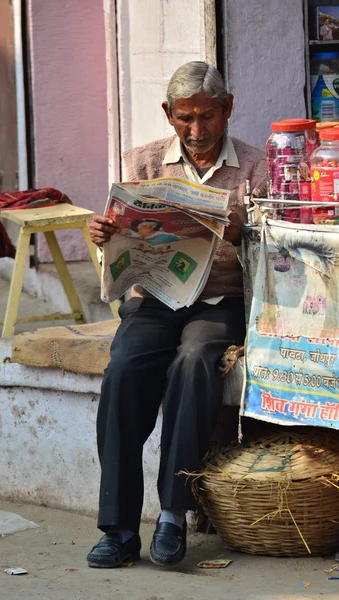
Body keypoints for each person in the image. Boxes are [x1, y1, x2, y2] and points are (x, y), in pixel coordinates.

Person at [87, 61, 267, 568]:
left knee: (193, 363)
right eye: (185, 118)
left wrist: (241, 232)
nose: (197, 130)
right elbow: (121, 242)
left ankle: (172, 515)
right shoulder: (141, 163)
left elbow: (274, 250)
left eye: (208, 116)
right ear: (168, 114)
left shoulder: (255, 167)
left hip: (218, 301)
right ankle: (119, 528)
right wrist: (108, 238)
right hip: (154, 299)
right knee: (123, 369)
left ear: (227, 109)